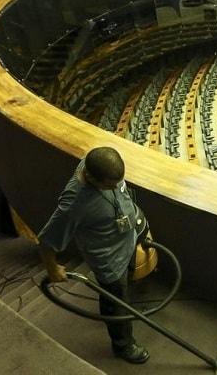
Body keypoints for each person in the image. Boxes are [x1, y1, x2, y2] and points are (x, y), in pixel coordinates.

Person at [38, 147, 150, 364]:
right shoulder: (74, 205)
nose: (116, 187)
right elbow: (46, 241)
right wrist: (52, 269)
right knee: (114, 303)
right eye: (110, 185)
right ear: (90, 177)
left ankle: (125, 307)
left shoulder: (97, 165)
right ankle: (123, 345)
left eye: (119, 182)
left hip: (126, 244)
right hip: (109, 260)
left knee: (123, 291)